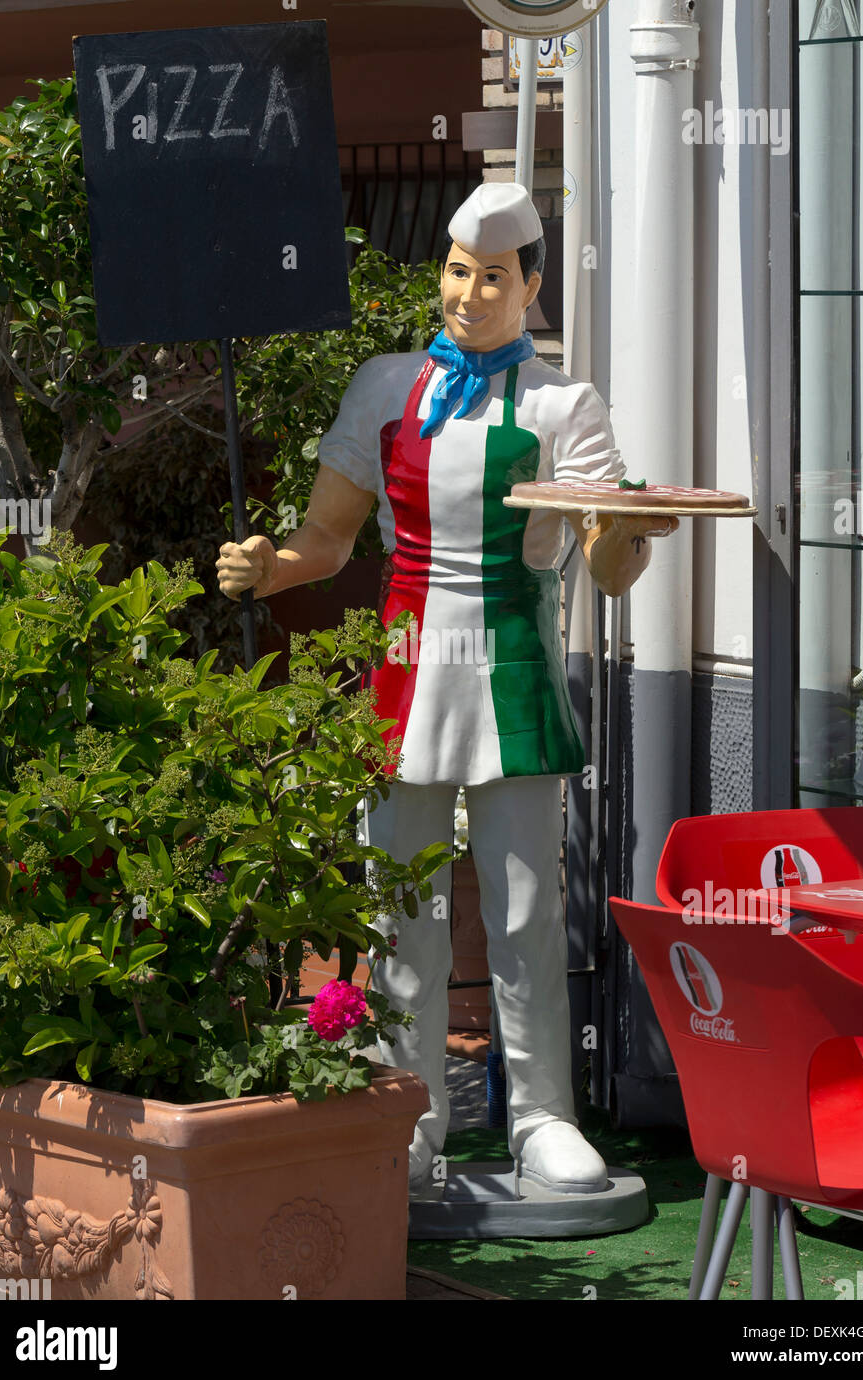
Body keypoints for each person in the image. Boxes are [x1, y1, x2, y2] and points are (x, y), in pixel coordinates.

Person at [217, 183, 677, 1194]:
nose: (470, 294)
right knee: (396, 908)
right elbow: (327, 537)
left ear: (532, 287)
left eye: (493, 277)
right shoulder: (383, 386)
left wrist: (623, 531)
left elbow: (606, 570)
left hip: (515, 672)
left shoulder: (566, 405)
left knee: (522, 910)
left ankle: (543, 1117)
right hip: (400, 665)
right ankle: (406, 1117)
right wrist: (269, 561)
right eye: (457, 272)